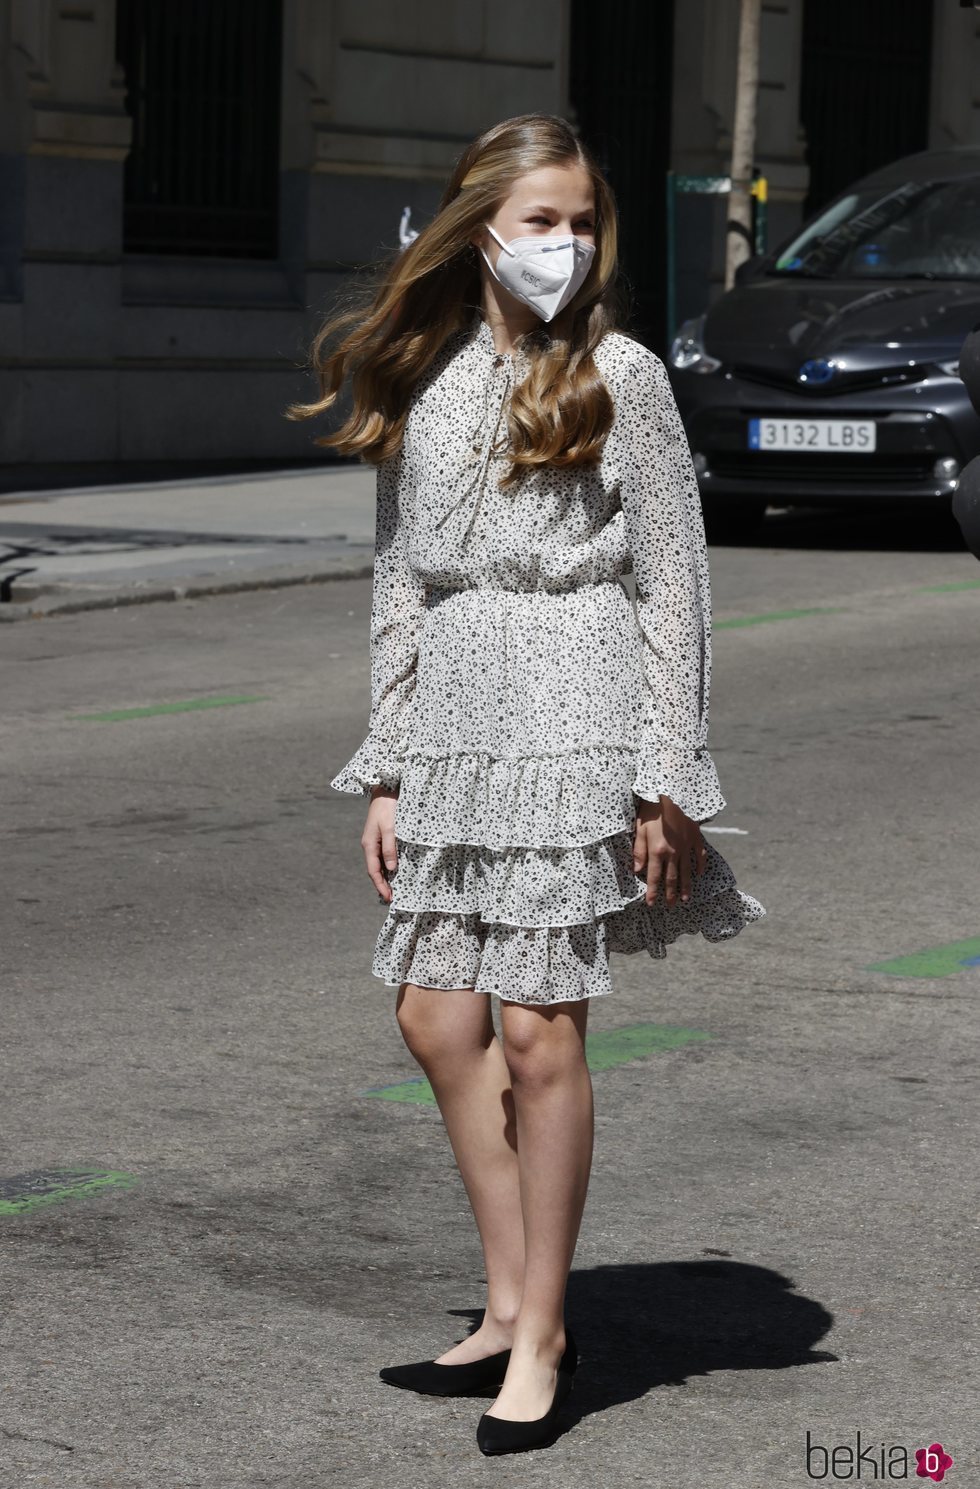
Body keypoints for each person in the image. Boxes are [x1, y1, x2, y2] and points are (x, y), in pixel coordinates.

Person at [286, 113, 767, 1456]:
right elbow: (400, 585)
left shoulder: (624, 374)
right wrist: (385, 765)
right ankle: (505, 1302)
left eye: (581, 222)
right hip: (457, 711)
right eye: (541, 218)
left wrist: (663, 781)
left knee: (542, 1028)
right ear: (477, 226)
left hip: (579, 702)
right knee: (438, 1021)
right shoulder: (432, 381)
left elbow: (676, 584)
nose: (566, 243)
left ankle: (545, 1333)